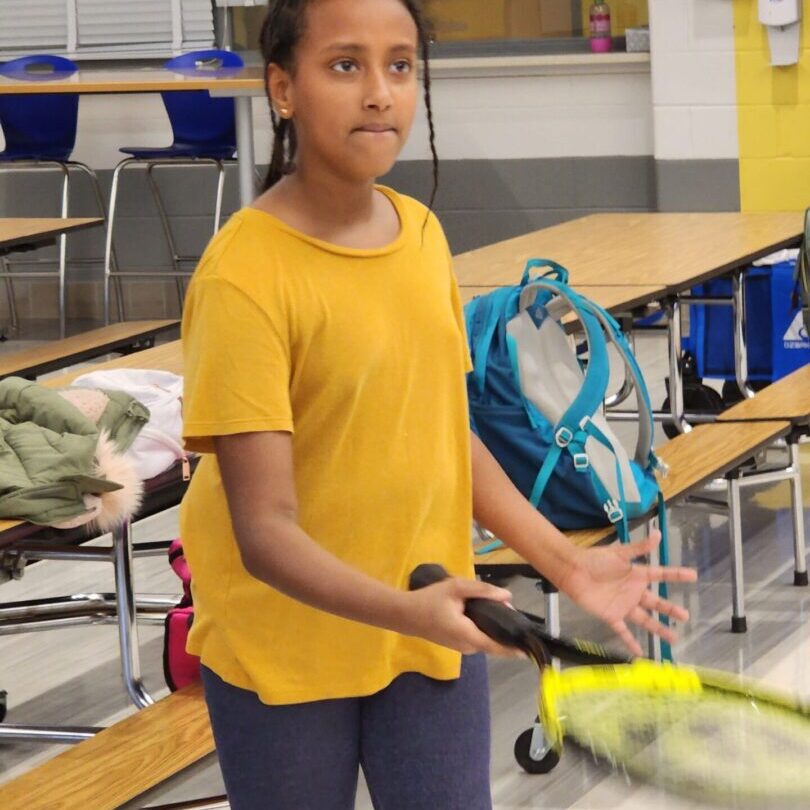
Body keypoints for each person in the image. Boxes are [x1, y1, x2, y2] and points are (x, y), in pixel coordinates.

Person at [179, 1, 698, 807]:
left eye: (400, 64)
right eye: (344, 65)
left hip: (428, 625)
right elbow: (264, 532)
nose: (380, 92)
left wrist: (562, 561)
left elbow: (445, 433)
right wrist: (410, 611)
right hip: (284, 648)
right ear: (282, 88)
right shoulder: (242, 277)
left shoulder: (419, 234)